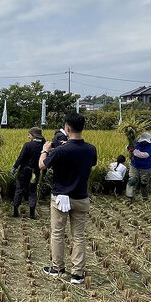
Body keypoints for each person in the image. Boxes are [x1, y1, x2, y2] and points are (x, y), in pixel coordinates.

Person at [39, 113, 97, 284]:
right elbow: (92, 164)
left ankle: (57, 268)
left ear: (67, 128)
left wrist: (45, 150)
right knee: (78, 235)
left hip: (60, 197)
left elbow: (42, 165)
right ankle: (77, 274)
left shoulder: (60, 150)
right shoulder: (91, 149)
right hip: (81, 197)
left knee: (57, 233)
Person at [11, 126, 45, 219]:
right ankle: (32, 214)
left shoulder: (28, 145)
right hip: (35, 172)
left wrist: (14, 167)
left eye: (29, 134)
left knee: (19, 189)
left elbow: (21, 158)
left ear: (33, 135)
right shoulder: (43, 146)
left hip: (24, 171)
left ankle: (15, 211)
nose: (28, 136)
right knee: (32, 191)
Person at [126, 132, 151, 203]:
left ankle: (145, 198)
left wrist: (134, 151)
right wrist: (128, 148)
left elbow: (145, 155)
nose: (144, 142)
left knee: (144, 182)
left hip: (146, 167)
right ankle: (130, 197)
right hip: (134, 165)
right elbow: (127, 147)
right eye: (143, 140)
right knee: (132, 180)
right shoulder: (136, 141)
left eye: (145, 141)